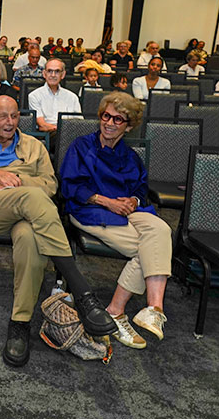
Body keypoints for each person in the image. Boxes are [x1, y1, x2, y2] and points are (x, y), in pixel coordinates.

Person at [0, 95, 115, 366]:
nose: (9, 122)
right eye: (2, 116)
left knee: (30, 236)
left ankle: (19, 323)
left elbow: (50, 185)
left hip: (30, 216)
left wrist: (18, 181)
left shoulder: (34, 146)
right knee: (32, 198)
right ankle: (81, 291)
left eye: (14, 116)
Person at [61, 92, 173, 349]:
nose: (109, 123)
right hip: (91, 210)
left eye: (118, 119)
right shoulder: (81, 146)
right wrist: (107, 201)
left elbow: (140, 187)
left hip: (127, 212)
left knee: (161, 229)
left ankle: (153, 308)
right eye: (106, 116)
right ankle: (116, 311)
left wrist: (133, 200)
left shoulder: (130, 155)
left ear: (129, 126)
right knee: (146, 250)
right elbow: (70, 187)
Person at [28, 58, 81, 134]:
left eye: (57, 71)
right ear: (44, 74)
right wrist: (61, 129)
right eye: (49, 71)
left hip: (70, 134)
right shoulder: (34, 96)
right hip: (48, 135)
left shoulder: (72, 97)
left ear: (63, 75)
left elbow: (79, 123)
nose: (53, 75)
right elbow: (43, 125)